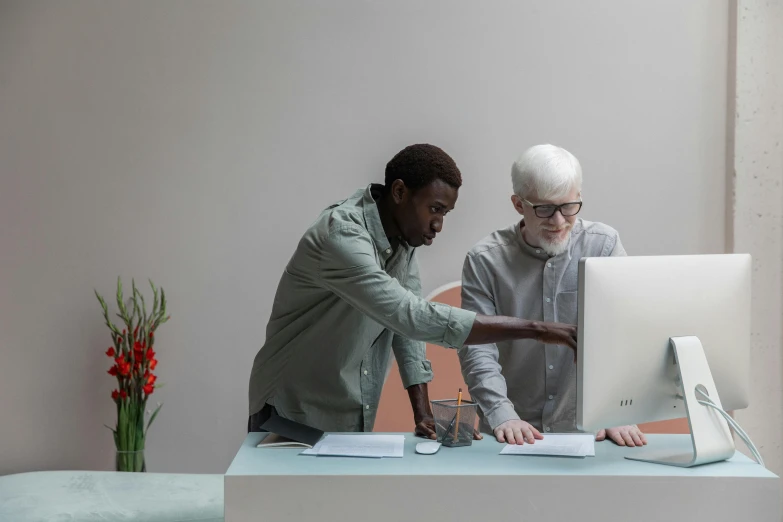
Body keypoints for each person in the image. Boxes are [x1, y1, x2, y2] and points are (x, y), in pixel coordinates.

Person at [248, 143, 578, 438]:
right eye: (434, 209)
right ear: (400, 192)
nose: (439, 224)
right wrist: (539, 328)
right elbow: (411, 317)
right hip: (289, 410)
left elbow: (407, 336)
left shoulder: (402, 246)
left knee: (336, 506)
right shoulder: (343, 237)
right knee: (286, 507)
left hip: (348, 413)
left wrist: (423, 414)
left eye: (445, 213)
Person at [458, 144, 647, 447]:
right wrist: (501, 413)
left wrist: (617, 408)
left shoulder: (604, 246)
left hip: (591, 430)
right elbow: (477, 347)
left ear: (579, 198)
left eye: (568, 207)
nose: (558, 221)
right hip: (511, 433)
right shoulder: (485, 259)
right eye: (544, 208)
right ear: (518, 204)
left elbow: (627, 332)